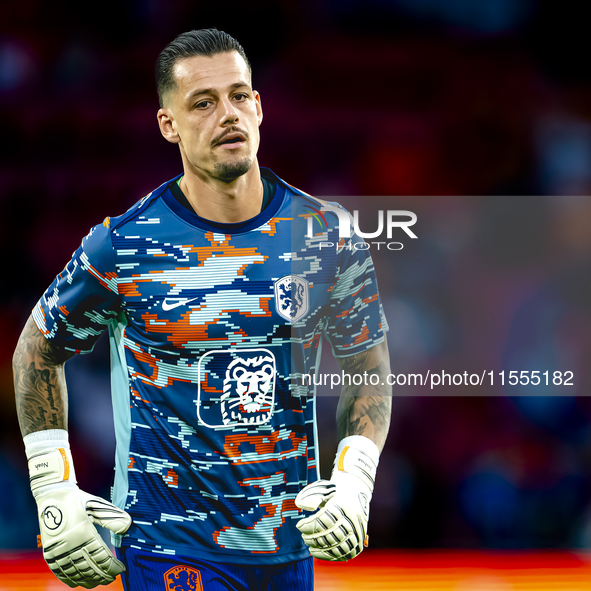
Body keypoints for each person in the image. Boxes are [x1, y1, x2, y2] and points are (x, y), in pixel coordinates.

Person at [13, 28, 392, 591]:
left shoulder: (327, 235)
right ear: (169, 124)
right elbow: (35, 352)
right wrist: (53, 487)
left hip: (290, 551)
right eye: (203, 103)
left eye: (239, 96)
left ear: (259, 108)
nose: (228, 114)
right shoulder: (124, 245)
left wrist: (356, 475)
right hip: (169, 551)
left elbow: (369, 364)